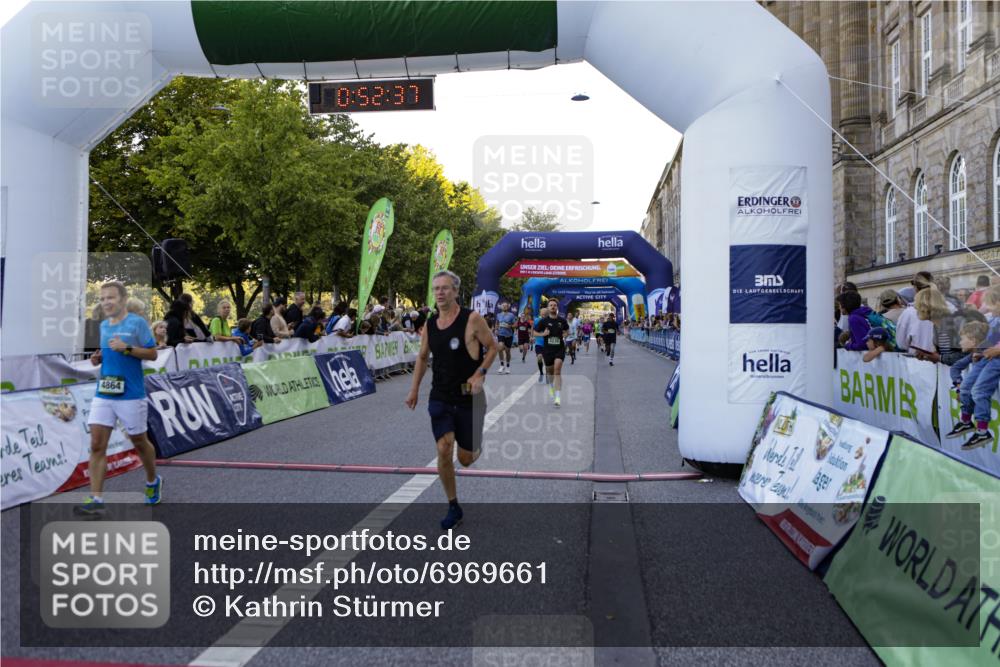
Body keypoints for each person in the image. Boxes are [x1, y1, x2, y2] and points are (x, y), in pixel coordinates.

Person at [405, 270, 496, 530]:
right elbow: (422, 357)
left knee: (466, 458)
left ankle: (475, 445)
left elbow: (493, 347)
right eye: (436, 289)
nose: (440, 293)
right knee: (444, 448)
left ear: (456, 292)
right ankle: (453, 505)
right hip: (441, 395)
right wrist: (413, 390)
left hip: (469, 395)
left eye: (445, 288)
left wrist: (480, 373)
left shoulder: (472, 319)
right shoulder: (431, 323)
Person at [75, 282, 162, 515]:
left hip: (131, 394)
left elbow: (152, 353)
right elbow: (109, 352)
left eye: (110, 298)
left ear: (123, 299)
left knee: (139, 442)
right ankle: (95, 498)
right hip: (104, 392)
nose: (105, 302)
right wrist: (99, 358)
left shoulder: (137, 323)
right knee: (96, 445)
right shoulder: (104, 326)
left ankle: (153, 481)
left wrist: (127, 348)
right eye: (102, 299)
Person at [945, 287, 1000, 450]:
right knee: (966, 388)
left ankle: (982, 430)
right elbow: (989, 340)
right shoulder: (994, 320)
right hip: (987, 357)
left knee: (979, 391)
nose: (986, 309)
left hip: (996, 360)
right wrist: (980, 351)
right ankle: (966, 421)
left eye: (988, 305)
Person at [534, 299, 570, 406]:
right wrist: (543, 334)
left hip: (559, 348)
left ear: (557, 307)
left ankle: (557, 397)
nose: (553, 307)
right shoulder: (543, 321)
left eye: (555, 305)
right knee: (550, 372)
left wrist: (565, 335)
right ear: (548, 308)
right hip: (548, 350)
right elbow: (534, 332)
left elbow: (567, 330)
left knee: (557, 370)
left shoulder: (562, 320)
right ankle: (550, 386)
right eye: (551, 305)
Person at [913, 287, 961, 365]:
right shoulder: (936, 325)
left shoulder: (954, 323)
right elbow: (944, 354)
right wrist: (928, 355)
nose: (915, 308)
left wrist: (939, 358)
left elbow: (967, 355)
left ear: (926, 307)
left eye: (918, 306)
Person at [895, 278, 935, 354]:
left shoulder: (909, 312)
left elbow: (901, 343)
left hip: (917, 360)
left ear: (916, 290)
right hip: (944, 360)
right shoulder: (949, 307)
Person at [494, 302, 516, 374]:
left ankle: (508, 366)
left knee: (507, 351)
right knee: (500, 348)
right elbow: (497, 323)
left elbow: (515, 324)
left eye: (506, 306)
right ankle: (501, 365)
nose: (504, 307)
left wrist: (510, 326)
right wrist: (496, 329)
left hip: (509, 335)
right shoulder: (498, 315)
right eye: (503, 306)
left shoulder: (511, 315)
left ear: (508, 307)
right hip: (501, 334)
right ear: (501, 307)